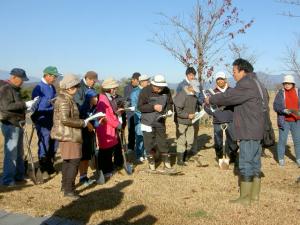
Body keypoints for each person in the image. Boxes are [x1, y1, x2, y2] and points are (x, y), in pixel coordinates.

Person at [205, 58, 267, 205]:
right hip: (257, 128)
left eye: (234, 71)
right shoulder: (258, 83)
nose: (233, 75)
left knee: (246, 161)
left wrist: (211, 99)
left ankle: (245, 198)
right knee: (255, 161)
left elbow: (229, 97)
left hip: (248, 129)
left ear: (242, 70)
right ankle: (254, 195)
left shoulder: (246, 84)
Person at [51, 74, 93, 199]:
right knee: (74, 161)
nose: (77, 89)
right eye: (75, 87)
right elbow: (64, 119)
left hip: (68, 134)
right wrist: (83, 123)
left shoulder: (67, 98)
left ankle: (65, 186)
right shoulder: (64, 99)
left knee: (68, 161)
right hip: (69, 135)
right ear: (69, 88)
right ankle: (69, 190)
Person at [0, 68, 39, 186]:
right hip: (10, 124)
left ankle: (18, 176)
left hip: (18, 123)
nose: (23, 82)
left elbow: (15, 106)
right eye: (22, 79)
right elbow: (7, 107)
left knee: (19, 152)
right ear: (14, 78)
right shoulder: (6, 89)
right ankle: (7, 180)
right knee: (11, 153)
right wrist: (25, 104)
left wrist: (27, 107)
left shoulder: (14, 89)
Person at [138, 75, 174, 171]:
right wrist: (153, 107)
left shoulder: (166, 90)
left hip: (160, 121)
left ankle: (167, 165)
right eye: (158, 88)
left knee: (163, 142)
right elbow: (140, 107)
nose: (160, 89)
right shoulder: (145, 91)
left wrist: (170, 110)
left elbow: (170, 103)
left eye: (161, 87)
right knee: (148, 143)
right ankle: (151, 165)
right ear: (153, 85)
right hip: (147, 122)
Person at [31, 66, 60, 180]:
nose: (55, 79)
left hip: (52, 119)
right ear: (47, 75)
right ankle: (43, 167)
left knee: (55, 141)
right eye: (54, 76)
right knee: (45, 142)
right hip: (42, 119)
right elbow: (37, 106)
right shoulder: (38, 88)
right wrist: (50, 104)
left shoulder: (51, 87)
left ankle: (50, 164)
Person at [204, 71, 238, 163]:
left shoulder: (232, 91)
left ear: (225, 80)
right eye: (218, 79)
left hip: (230, 119)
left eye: (221, 79)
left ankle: (233, 158)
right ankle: (219, 158)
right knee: (218, 141)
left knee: (232, 140)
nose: (220, 81)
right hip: (217, 121)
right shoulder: (212, 92)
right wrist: (213, 113)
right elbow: (206, 106)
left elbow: (237, 105)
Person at [74, 71, 98, 185]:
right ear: (87, 78)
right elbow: (78, 108)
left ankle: (84, 176)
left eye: (95, 81)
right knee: (82, 153)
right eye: (93, 80)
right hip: (82, 125)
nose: (94, 83)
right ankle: (81, 177)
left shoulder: (91, 88)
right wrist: (90, 102)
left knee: (88, 153)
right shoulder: (79, 88)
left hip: (90, 124)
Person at [96, 78, 123, 179]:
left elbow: (110, 113)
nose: (116, 90)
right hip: (105, 129)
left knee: (109, 149)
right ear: (110, 89)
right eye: (115, 88)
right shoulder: (103, 99)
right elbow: (106, 116)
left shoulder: (107, 98)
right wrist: (117, 124)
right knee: (105, 151)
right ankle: (105, 170)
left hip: (109, 128)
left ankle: (108, 168)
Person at [273, 74, 300, 167]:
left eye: (289, 83)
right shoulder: (280, 93)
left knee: (297, 140)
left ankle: (298, 158)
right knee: (282, 140)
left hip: (296, 121)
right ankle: (281, 159)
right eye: (285, 83)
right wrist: (283, 110)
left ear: (293, 84)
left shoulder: (298, 92)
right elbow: (275, 106)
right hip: (284, 120)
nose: (287, 85)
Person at [176, 67, 204, 154]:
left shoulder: (198, 84)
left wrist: (197, 100)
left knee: (194, 132)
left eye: (193, 75)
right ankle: (183, 151)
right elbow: (177, 99)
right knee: (182, 134)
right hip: (184, 114)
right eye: (190, 75)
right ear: (187, 75)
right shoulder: (181, 85)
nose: (192, 77)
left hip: (195, 112)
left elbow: (201, 97)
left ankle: (193, 150)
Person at [173, 79, 201, 166]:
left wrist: (197, 113)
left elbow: (195, 106)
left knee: (190, 139)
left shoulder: (194, 95)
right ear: (190, 86)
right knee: (181, 139)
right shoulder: (182, 95)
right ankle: (180, 160)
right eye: (194, 88)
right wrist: (188, 115)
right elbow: (178, 110)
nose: (196, 91)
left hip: (190, 121)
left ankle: (186, 157)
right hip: (181, 121)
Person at [78, 89, 99, 186]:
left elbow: (94, 123)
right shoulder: (83, 108)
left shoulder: (94, 108)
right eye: (94, 97)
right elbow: (81, 121)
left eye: (97, 96)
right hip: (83, 135)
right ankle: (82, 177)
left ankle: (85, 176)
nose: (96, 99)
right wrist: (87, 124)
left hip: (90, 135)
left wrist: (99, 123)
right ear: (89, 98)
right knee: (83, 157)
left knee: (87, 156)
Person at [130, 74, 150, 162]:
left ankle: (146, 153)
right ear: (141, 82)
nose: (148, 82)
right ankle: (139, 155)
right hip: (139, 118)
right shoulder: (135, 92)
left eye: (148, 80)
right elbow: (135, 107)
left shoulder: (149, 91)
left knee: (147, 136)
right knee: (139, 137)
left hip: (148, 118)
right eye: (146, 81)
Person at [124, 72, 141, 152]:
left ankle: (139, 148)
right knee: (131, 131)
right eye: (137, 80)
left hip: (139, 112)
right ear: (133, 79)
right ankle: (130, 148)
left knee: (139, 131)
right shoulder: (127, 88)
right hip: (131, 113)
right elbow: (127, 100)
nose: (138, 82)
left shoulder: (140, 88)